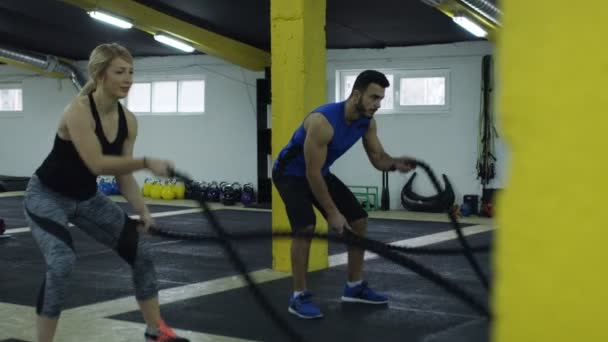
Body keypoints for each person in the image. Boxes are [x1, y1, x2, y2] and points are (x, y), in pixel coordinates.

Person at [22, 43, 189, 342]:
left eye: (131, 72)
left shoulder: (129, 121)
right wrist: (148, 162)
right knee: (61, 262)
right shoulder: (77, 111)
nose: (128, 79)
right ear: (100, 75)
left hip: (86, 199)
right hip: (45, 196)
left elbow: (123, 175)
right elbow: (97, 164)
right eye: (119, 72)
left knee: (142, 254)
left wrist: (144, 211)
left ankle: (156, 333)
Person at [272, 70, 417, 319]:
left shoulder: (366, 122)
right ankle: (298, 296)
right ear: (356, 94)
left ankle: (354, 286)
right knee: (305, 226)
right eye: (374, 97)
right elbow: (312, 174)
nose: (377, 104)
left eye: (381, 99)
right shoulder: (323, 122)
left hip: (319, 172)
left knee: (359, 220)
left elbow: (377, 158)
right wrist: (332, 213)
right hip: (290, 174)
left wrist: (395, 164)